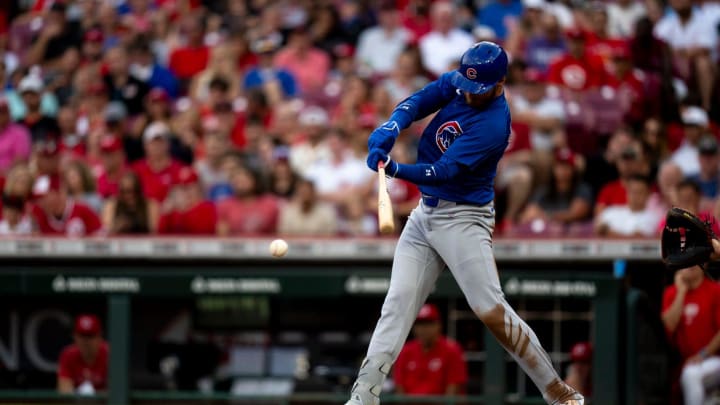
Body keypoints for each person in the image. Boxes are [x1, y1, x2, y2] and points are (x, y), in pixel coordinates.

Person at [346, 42, 584, 405]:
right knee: (396, 304)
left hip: (463, 218)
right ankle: (363, 397)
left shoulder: (493, 123)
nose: (469, 94)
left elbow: (443, 171)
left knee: (489, 308)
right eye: (466, 86)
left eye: (479, 89)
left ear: (500, 84)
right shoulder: (464, 81)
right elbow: (422, 99)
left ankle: (559, 394)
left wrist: (394, 168)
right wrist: (392, 125)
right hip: (426, 215)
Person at [662, 262, 720, 405]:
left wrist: (703, 354)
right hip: (684, 364)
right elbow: (669, 325)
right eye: (685, 262)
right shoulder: (671, 293)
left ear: (704, 265)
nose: (689, 265)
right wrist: (681, 292)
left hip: (713, 360)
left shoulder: (715, 290)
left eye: (694, 262)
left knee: (692, 375)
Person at [393, 304, 467, 396]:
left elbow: (453, 392)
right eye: (419, 324)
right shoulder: (405, 351)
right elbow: (399, 388)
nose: (423, 329)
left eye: (428, 324)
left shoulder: (452, 350)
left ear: (438, 325)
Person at [594, 175, 661, 237]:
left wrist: (608, 232)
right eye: (632, 191)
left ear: (648, 194)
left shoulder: (653, 218)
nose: (635, 196)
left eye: (639, 192)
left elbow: (636, 239)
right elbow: (598, 229)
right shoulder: (610, 212)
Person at [57, 314, 109, 394]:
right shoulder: (68, 355)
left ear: (99, 336)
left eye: (90, 336)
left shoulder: (110, 354)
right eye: (82, 335)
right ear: (74, 336)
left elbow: (116, 391)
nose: (86, 341)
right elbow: (64, 391)